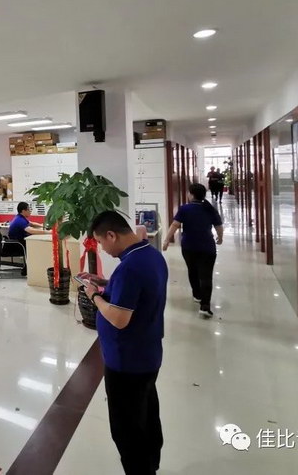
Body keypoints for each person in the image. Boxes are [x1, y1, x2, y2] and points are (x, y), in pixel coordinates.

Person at [83, 211, 167, 475]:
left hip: (126, 361)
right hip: (148, 354)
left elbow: (119, 319)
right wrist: (106, 284)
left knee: (127, 429)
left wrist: (95, 296)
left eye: (101, 242)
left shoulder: (129, 267)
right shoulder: (151, 255)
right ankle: (151, 464)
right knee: (147, 415)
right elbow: (137, 292)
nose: (102, 249)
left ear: (112, 235)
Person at [163, 183, 223, 319]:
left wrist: (166, 240)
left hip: (189, 246)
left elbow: (175, 225)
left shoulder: (185, 209)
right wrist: (220, 237)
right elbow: (218, 226)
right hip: (207, 247)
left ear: (191, 194)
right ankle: (205, 306)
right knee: (206, 276)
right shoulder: (209, 208)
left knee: (192, 270)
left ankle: (197, 294)